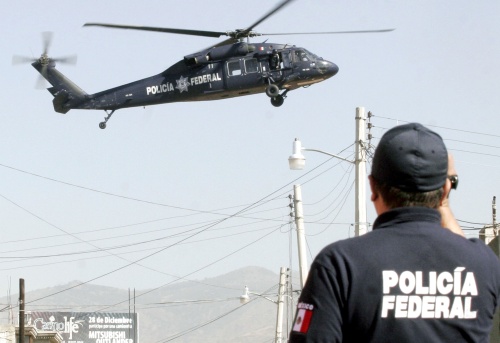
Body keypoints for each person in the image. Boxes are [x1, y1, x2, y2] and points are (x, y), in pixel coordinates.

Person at [289, 123, 500, 343]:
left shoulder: (340, 264)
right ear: (445, 190)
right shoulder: (485, 264)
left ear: (372, 187)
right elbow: (464, 259)